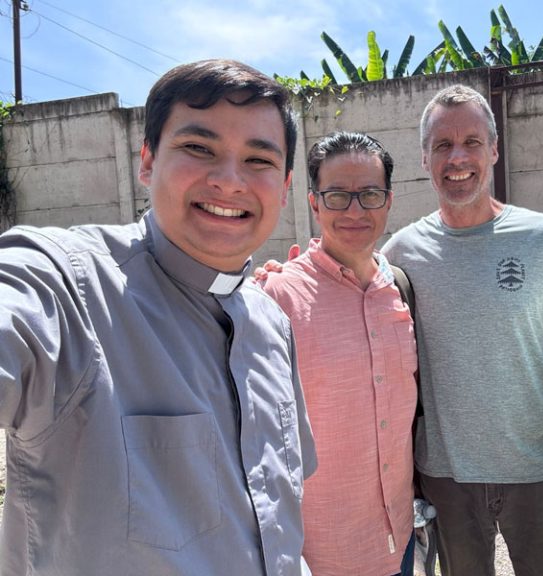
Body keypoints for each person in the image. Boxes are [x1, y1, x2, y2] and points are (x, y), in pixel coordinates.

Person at [0, 59, 316, 576]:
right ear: (147, 161)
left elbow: (280, 506)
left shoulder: (272, 323)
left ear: (284, 187)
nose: (229, 181)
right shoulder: (70, 286)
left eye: (258, 159)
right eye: (199, 148)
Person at [381, 84, 543, 576]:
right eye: (442, 145)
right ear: (424, 158)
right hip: (447, 474)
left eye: (471, 142)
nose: (457, 158)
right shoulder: (401, 253)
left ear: (493, 149)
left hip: (541, 466)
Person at [261, 131, 418, 576]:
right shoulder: (277, 296)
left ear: (388, 201)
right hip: (321, 553)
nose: (354, 211)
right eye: (337, 196)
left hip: (400, 536)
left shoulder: (400, 289)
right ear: (314, 204)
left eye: (369, 194)